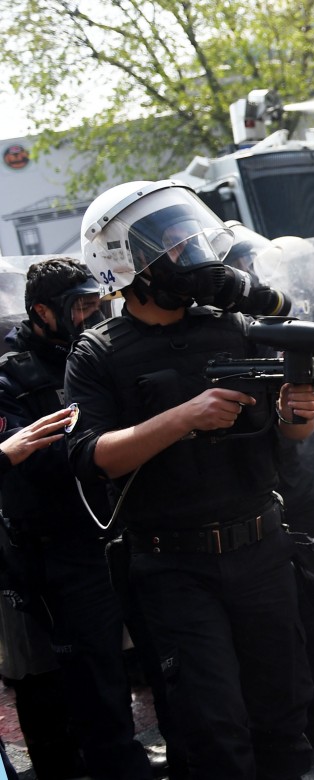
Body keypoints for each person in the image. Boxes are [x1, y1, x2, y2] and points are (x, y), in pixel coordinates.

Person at [65, 179, 314, 779]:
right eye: (171, 245)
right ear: (125, 262)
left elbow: (291, 432)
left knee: (283, 714)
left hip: (260, 546)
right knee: (213, 727)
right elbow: (92, 456)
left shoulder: (231, 326)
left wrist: (296, 415)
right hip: (175, 569)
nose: (190, 253)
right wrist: (183, 416)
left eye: (189, 237)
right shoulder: (97, 353)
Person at [0, 257, 179, 780]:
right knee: (94, 677)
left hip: (132, 525)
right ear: (41, 312)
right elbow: (32, 460)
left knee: (162, 651)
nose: (91, 315)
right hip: (63, 547)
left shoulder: (106, 353)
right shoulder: (12, 375)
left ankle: (187, 753)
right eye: (79, 306)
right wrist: (104, 446)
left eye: (96, 303)